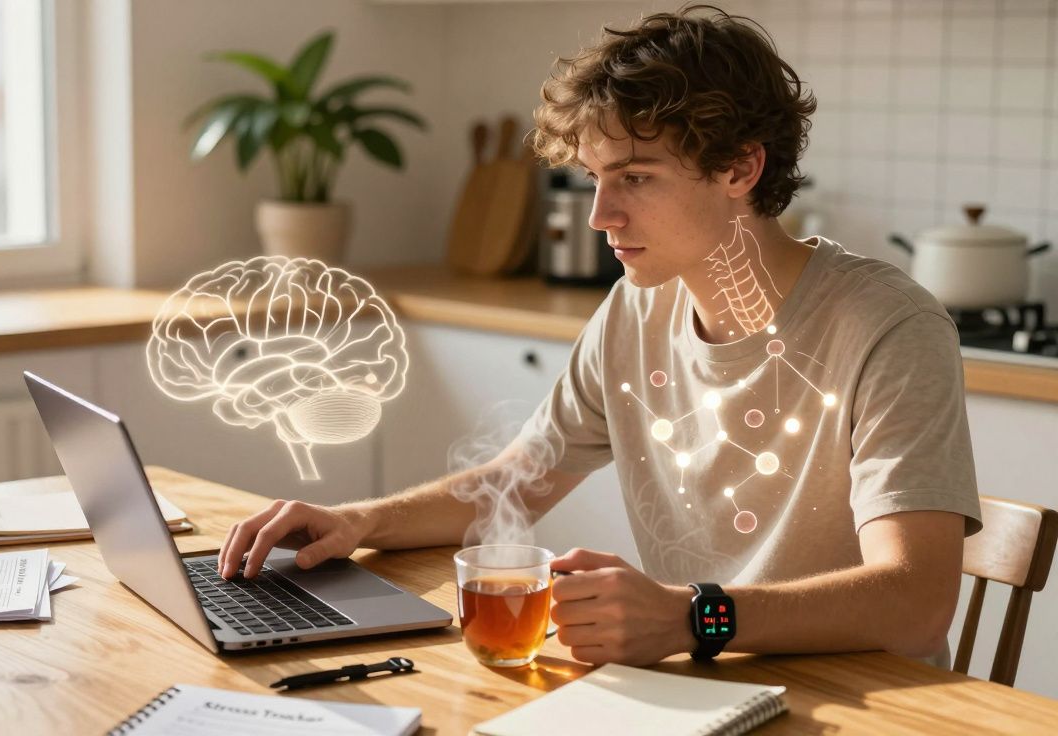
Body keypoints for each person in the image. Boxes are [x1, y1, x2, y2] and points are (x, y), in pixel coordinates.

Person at [218, 4, 981, 668]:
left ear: (741, 168)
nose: (599, 216)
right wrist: (359, 521)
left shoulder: (887, 326)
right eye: (594, 178)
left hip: (869, 703)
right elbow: (516, 480)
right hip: (700, 683)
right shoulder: (634, 310)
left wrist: (690, 617)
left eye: (637, 177)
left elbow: (915, 601)